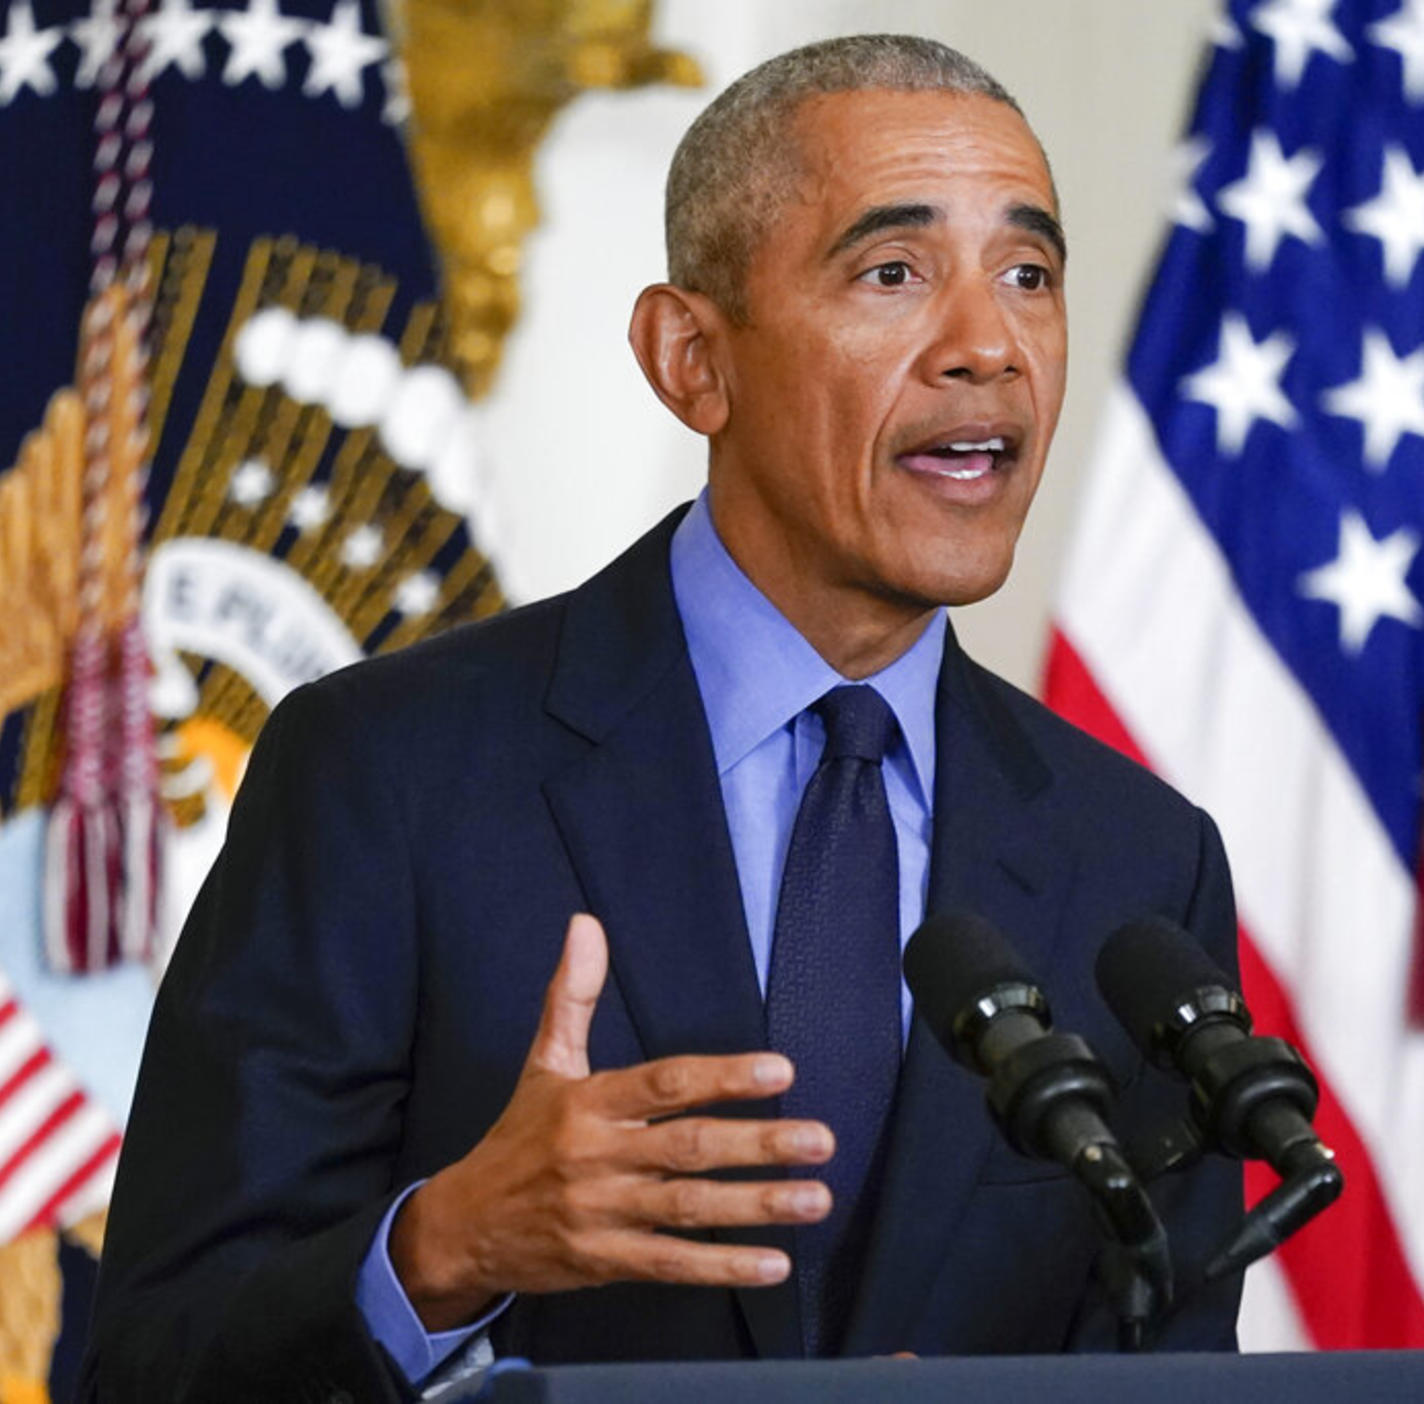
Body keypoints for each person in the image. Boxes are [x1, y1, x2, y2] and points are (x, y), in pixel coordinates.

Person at [79, 33, 1241, 1403]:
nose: (987, 345)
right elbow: (150, 1367)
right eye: (892, 273)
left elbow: (1165, 1362)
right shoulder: (386, 774)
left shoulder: (1135, 866)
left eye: (1027, 275)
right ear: (692, 359)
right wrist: (446, 1249)